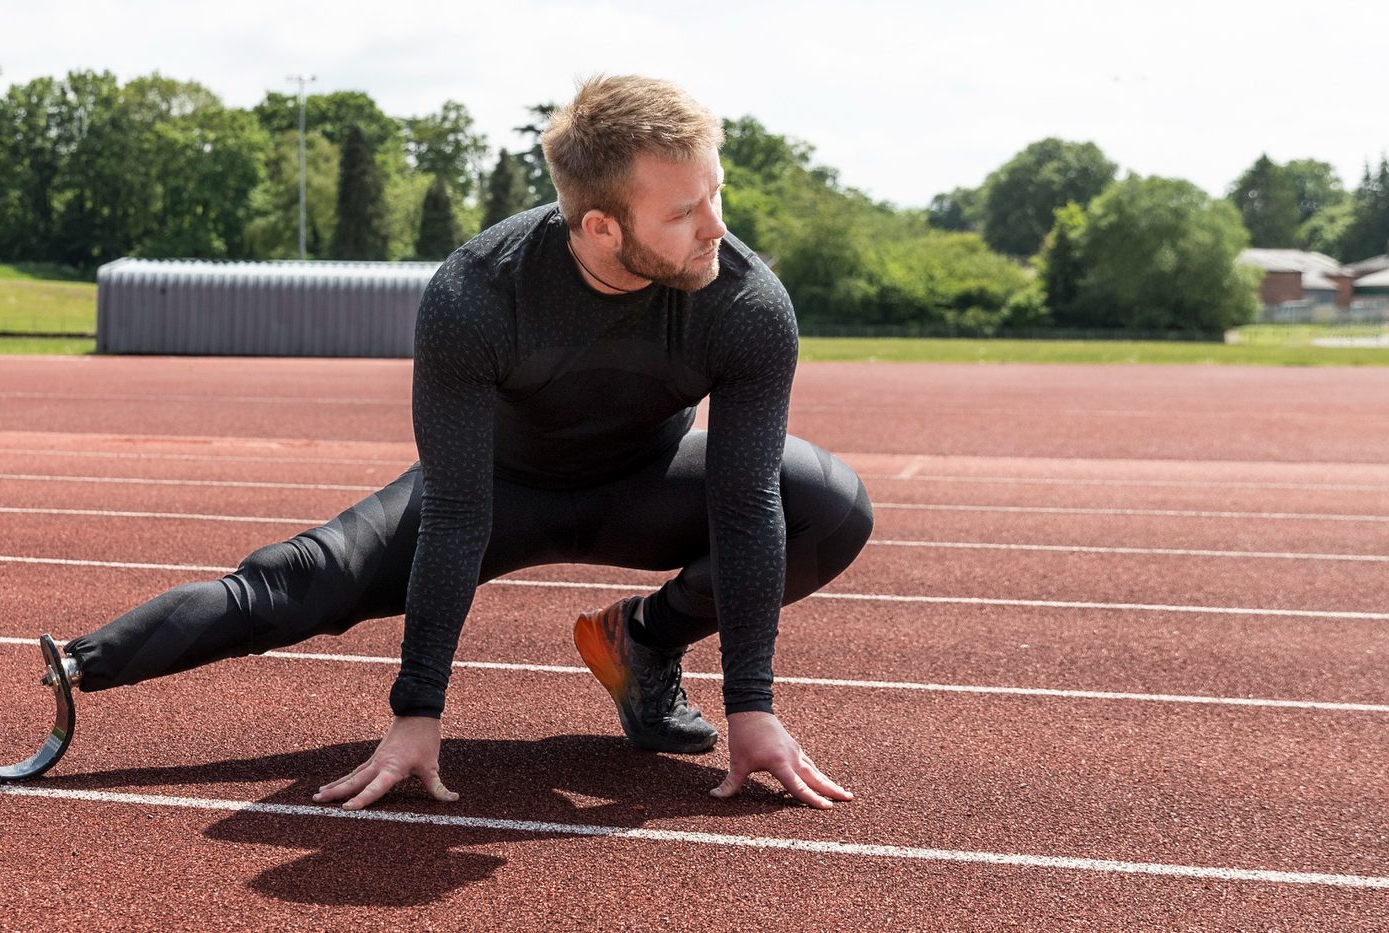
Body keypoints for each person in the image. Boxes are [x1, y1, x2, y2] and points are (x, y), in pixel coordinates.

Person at [53, 75, 873, 811]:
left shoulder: (746, 300)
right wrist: (417, 709)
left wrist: (752, 707)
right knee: (295, 583)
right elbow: (453, 513)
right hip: (493, 489)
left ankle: (643, 640)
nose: (717, 227)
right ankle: (80, 664)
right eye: (685, 211)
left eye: (716, 192)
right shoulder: (477, 293)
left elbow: (744, 502)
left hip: (646, 485)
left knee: (829, 508)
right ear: (601, 226)